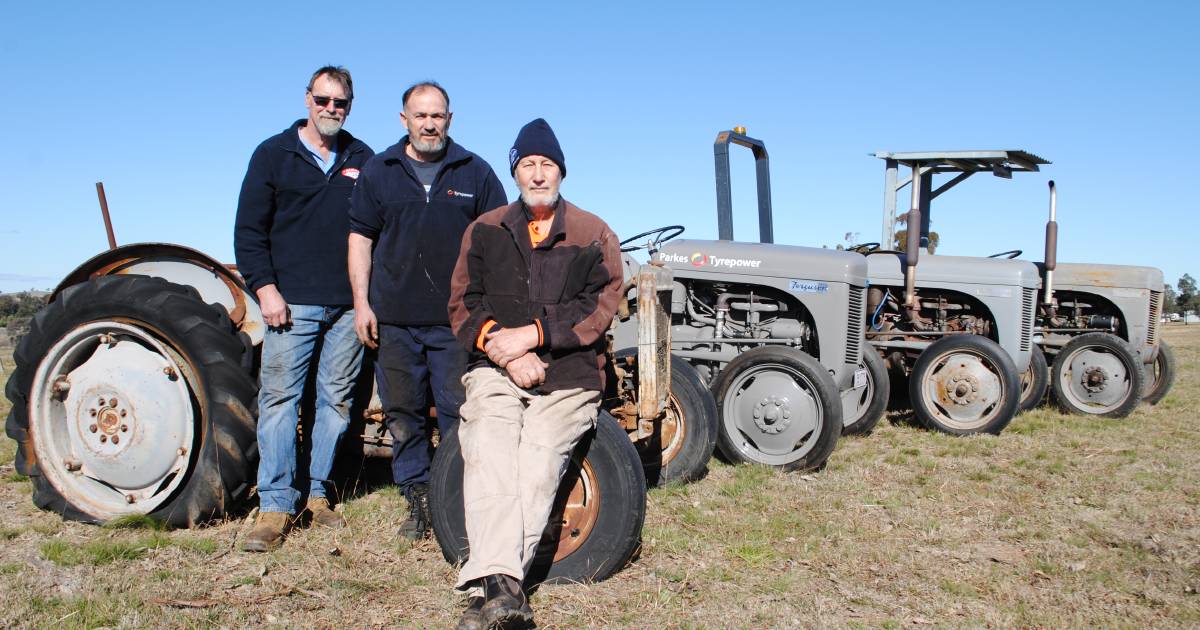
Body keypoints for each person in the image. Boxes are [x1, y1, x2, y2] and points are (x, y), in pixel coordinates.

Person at [447, 119, 623, 630]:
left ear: (561, 172)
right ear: (516, 172)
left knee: (539, 458)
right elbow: (463, 305)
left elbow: (600, 307)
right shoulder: (484, 229)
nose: (538, 174)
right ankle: (507, 592)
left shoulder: (593, 233)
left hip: (570, 373)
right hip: (496, 367)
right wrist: (507, 351)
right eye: (528, 164)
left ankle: (492, 591)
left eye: (547, 165)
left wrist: (535, 336)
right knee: (489, 446)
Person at [347, 81, 507, 540]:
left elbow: (496, 244)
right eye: (420, 115)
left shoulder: (475, 172)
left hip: (455, 324)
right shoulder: (380, 171)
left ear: (450, 120)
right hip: (394, 320)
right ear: (404, 120)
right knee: (404, 413)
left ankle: (454, 495)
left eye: (437, 115)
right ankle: (417, 498)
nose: (429, 123)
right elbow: (360, 239)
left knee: (460, 411)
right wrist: (362, 303)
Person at [234, 66, 374, 551]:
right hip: (289, 305)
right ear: (307, 99)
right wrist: (265, 290)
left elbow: (376, 231)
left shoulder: (362, 157)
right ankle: (274, 505)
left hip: (345, 307)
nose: (330, 109)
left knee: (336, 404)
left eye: (340, 103)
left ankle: (318, 495)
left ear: (350, 107)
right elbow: (249, 231)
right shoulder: (274, 155)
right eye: (323, 100)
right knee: (279, 402)